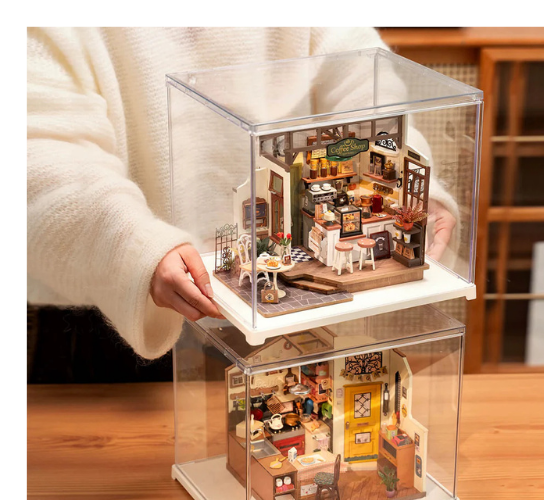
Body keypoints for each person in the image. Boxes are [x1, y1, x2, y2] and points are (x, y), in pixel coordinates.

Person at [28, 27, 458, 360]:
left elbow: (367, 86)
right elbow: (40, 154)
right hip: (102, 316)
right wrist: (135, 247)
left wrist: (409, 189)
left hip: (293, 309)